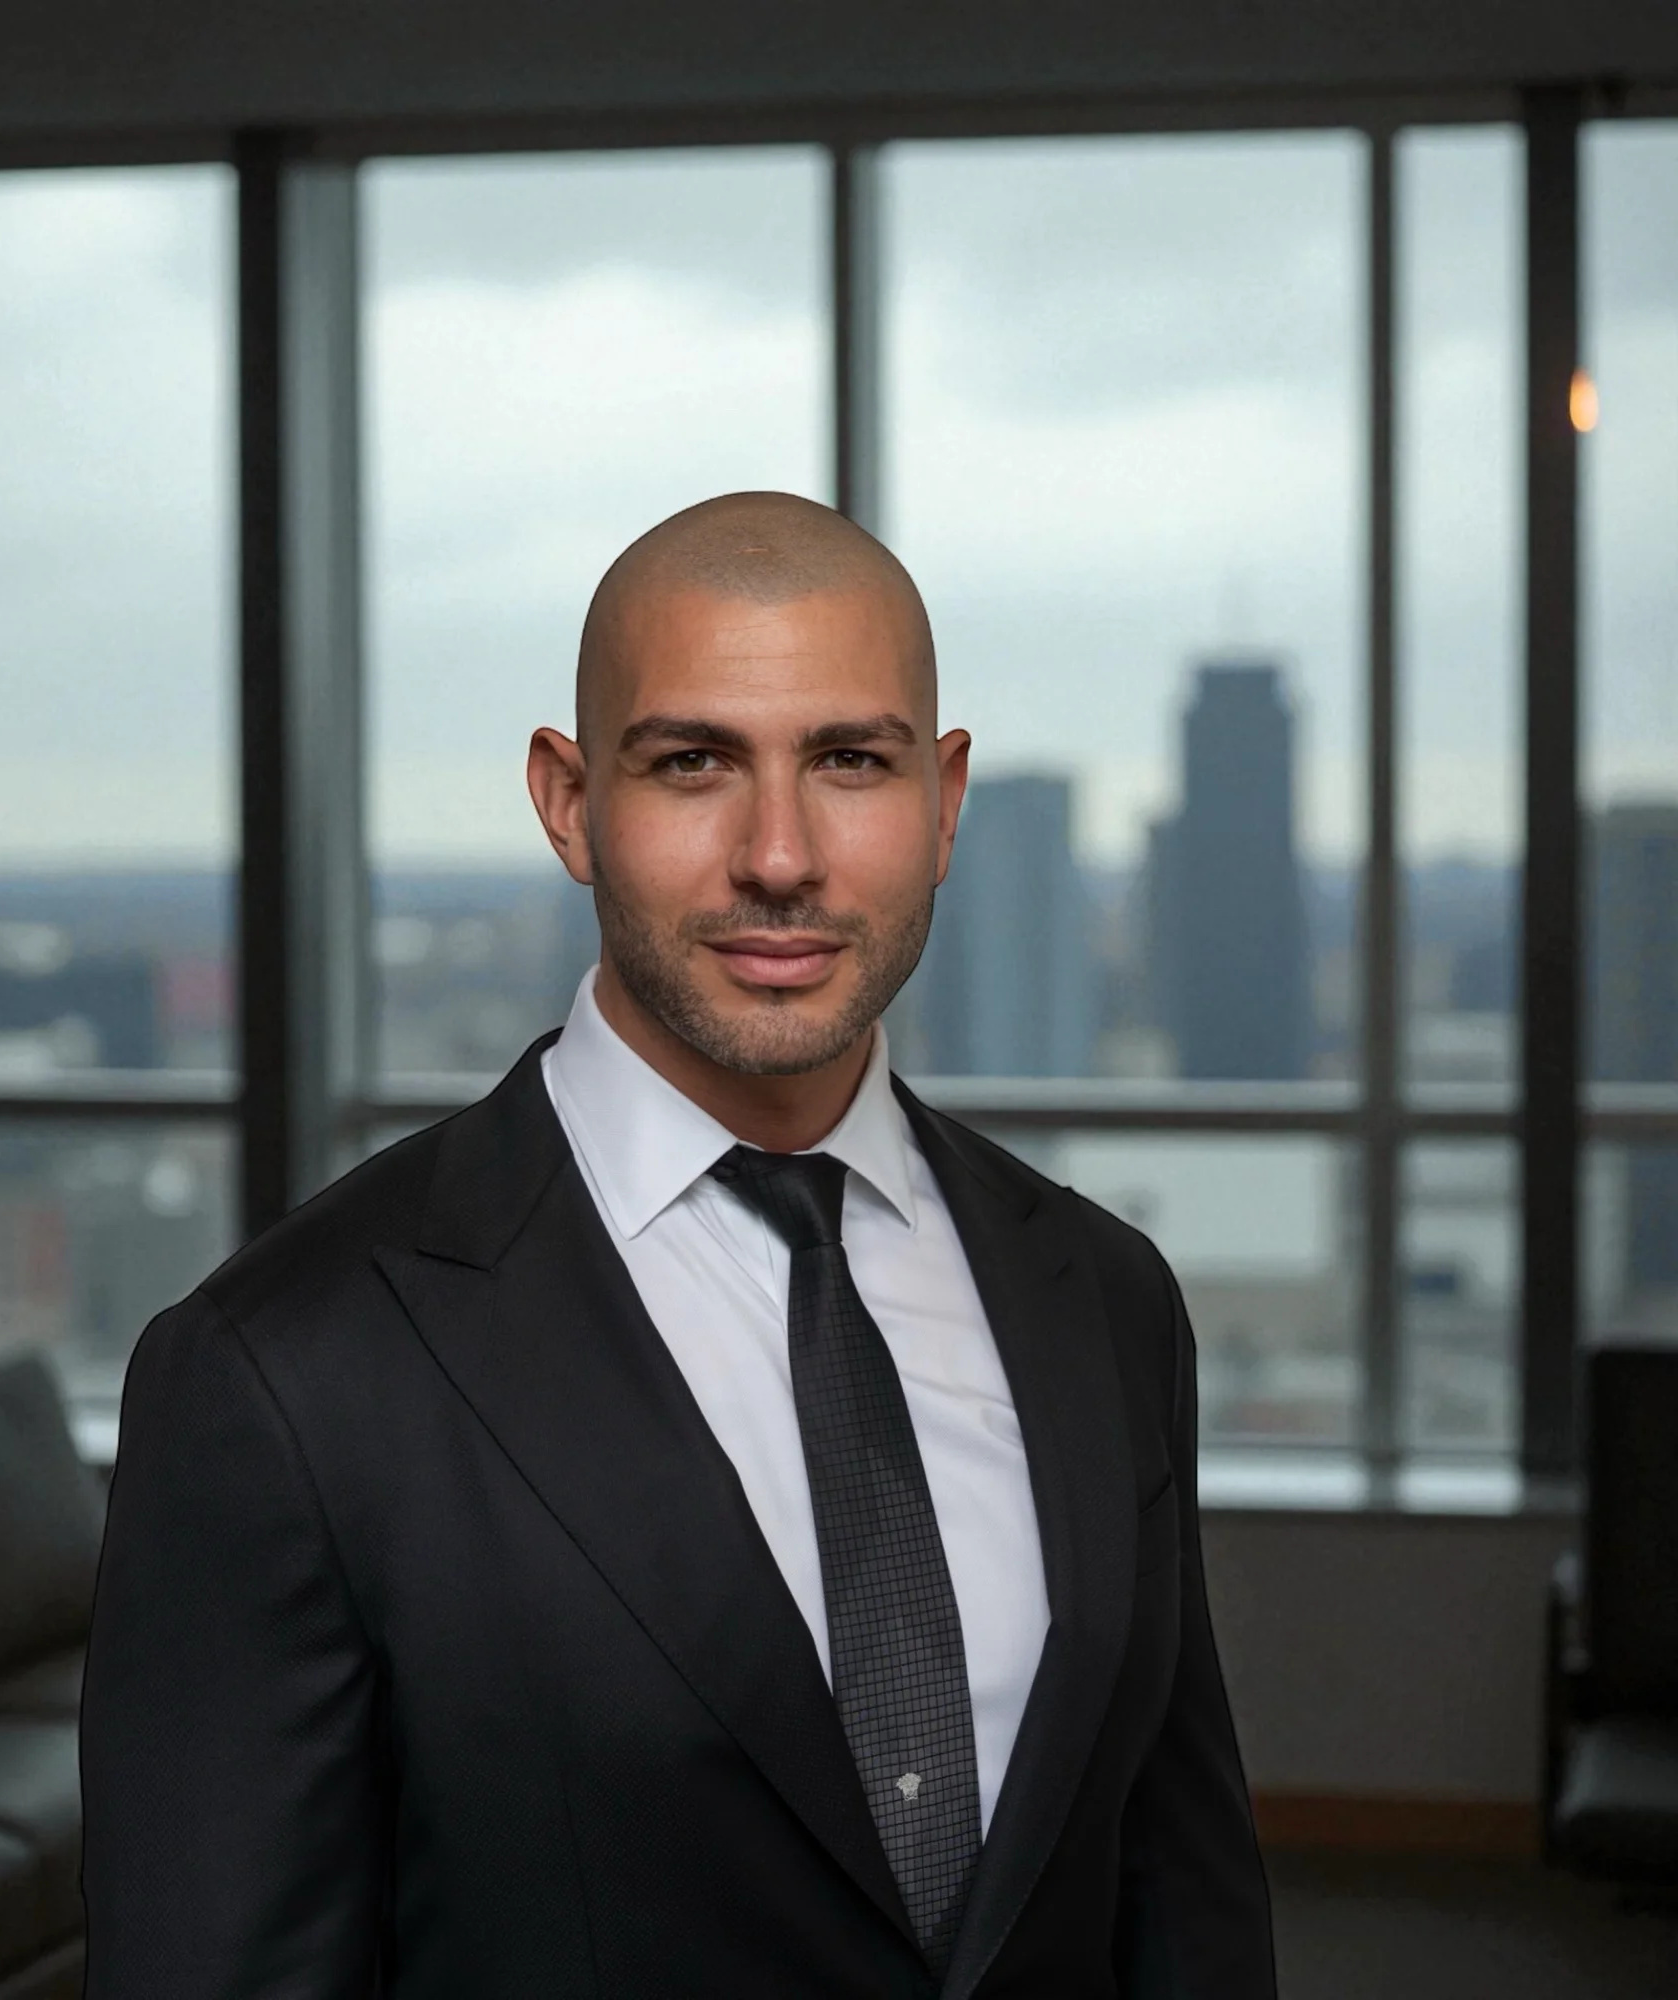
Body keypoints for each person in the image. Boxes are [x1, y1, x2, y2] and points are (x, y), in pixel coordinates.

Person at [80, 491, 1277, 1998]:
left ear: (947, 799)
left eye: (850, 761)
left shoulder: (1104, 1297)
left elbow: (1185, 1909)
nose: (779, 855)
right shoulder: (284, 1376)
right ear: (571, 804)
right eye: (693, 762)